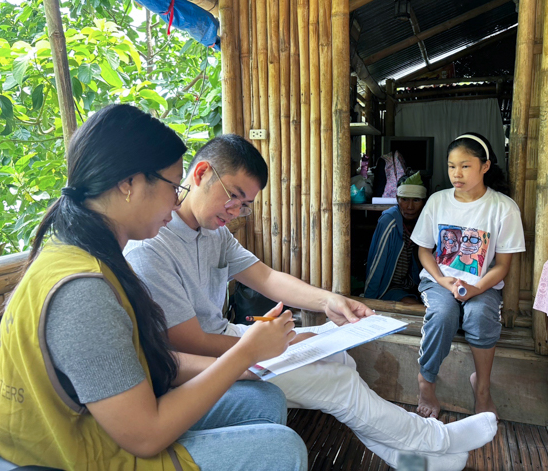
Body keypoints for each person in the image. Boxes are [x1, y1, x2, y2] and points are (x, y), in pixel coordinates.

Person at [124, 134, 499, 471]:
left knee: (339, 357)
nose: (236, 212)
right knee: (337, 382)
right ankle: (435, 439)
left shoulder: (212, 231)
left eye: (245, 205)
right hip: (203, 364)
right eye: (234, 196)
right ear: (200, 174)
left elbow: (266, 277)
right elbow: (189, 342)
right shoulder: (152, 243)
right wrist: (275, 343)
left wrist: (329, 300)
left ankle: (406, 458)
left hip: (227, 338)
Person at [0, 105, 308, 471]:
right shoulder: (84, 290)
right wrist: (243, 355)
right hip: (66, 450)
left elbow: (143, 363)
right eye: (172, 185)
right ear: (128, 183)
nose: (176, 199)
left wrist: (241, 361)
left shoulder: (92, 253)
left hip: (105, 422)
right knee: (282, 449)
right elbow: (144, 435)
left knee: (264, 400)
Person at [411, 132, 526, 420]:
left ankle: (482, 387)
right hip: (439, 280)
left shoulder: (503, 207)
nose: (456, 174)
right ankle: (426, 380)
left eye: (465, 166)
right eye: (451, 166)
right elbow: (424, 251)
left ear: (485, 166)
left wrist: (475, 288)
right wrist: (441, 280)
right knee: (443, 314)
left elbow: (502, 265)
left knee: (480, 315)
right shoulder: (437, 201)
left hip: (483, 285)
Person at [364, 172, 427, 303]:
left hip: (411, 285)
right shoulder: (389, 221)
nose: (410, 207)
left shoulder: (423, 221)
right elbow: (377, 264)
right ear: (397, 199)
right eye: (404, 200)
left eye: (416, 200)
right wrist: (369, 300)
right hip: (388, 287)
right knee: (415, 306)